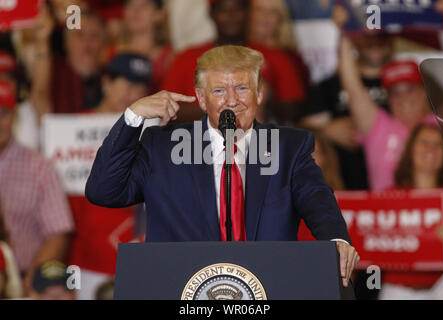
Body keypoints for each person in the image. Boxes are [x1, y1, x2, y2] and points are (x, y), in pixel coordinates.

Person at [86, 45, 359, 287]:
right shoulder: (163, 147)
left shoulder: (288, 147)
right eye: (219, 90)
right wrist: (133, 118)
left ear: (259, 94)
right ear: (202, 99)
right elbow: (104, 190)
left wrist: (337, 240)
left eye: (242, 88)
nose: (232, 100)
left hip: (267, 290)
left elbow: (316, 198)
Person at [69, 53, 149, 300]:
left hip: (138, 257)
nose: (131, 91)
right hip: (87, 260)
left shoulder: (153, 134)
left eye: (139, 85)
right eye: (125, 81)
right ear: (106, 82)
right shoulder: (72, 128)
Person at [161, 0, 307, 125]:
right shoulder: (187, 58)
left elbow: (295, 111)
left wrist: (267, 98)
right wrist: (222, 105)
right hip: (198, 146)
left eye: (237, 8)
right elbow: (167, 108)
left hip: (261, 145)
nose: (231, 16)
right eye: (223, 9)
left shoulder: (275, 56)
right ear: (212, 13)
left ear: (248, 12)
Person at [0, 79, 74, 295]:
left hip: (24, 277)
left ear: (15, 116)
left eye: (4, 113)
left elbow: (58, 233)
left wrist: (27, 282)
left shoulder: (39, 167)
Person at [339, 36, 437, 191]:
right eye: (395, 93)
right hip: (385, 212)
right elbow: (352, 87)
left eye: (410, 89)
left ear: (424, 91)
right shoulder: (379, 126)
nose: (404, 98)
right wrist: (344, 33)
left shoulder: (442, 125)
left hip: (439, 212)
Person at [300, 32, 392, 190]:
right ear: (355, 39)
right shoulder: (329, 86)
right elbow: (302, 134)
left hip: (392, 188)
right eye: (368, 37)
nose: (374, 43)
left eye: (381, 36)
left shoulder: (404, 87)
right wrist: (325, 131)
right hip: (337, 188)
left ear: (392, 38)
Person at [379, 124, 443, 299]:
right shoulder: (389, 197)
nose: (430, 149)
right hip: (398, 291)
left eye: (438, 144)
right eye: (424, 142)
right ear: (410, 150)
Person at [31, 6, 106, 117]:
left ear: (104, 42)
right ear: (66, 41)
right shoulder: (54, 72)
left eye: (94, 36)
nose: (87, 42)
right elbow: (40, 99)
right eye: (80, 35)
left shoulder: (113, 76)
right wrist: (42, 41)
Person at [108, 0, 172, 92]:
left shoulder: (169, 58)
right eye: (130, 4)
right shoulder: (110, 53)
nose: (135, 10)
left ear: (159, 14)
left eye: (144, 5)